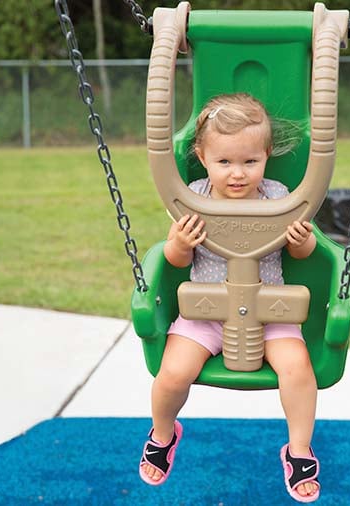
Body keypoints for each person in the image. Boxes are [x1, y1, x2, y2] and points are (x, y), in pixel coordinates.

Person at [138, 93, 322, 502]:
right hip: (204, 314)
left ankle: (298, 450)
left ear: (266, 155)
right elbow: (174, 257)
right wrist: (180, 244)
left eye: (249, 162)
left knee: (299, 370)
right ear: (202, 156)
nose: (237, 174)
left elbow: (303, 254)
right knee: (171, 374)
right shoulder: (192, 196)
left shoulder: (279, 196)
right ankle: (163, 433)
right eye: (225, 162)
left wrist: (301, 242)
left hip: (269, 311)